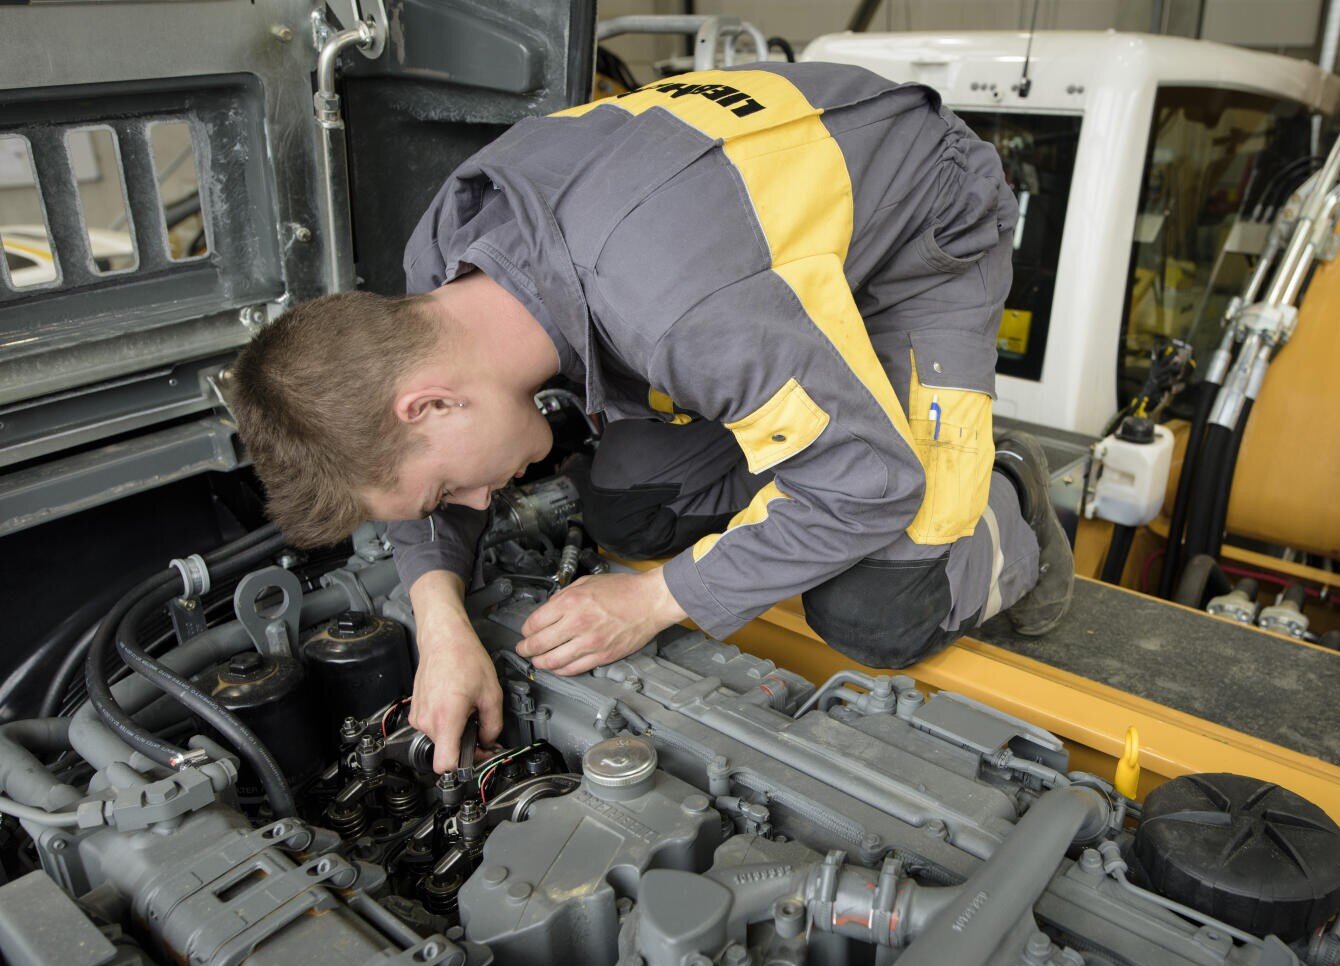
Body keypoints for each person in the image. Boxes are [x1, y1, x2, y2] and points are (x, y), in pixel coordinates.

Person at [228, 62, 1074, 772]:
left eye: (449, 484)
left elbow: (870, 486)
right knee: (636, 509)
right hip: (733, 272)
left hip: (913, 240)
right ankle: (806, 419)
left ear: (435, 402)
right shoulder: (438, 269)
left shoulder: (681, 314)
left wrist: (656, 601)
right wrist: (440, 620)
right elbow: (430, 489)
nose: (476, 502)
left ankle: (1008, 496)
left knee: (879, 608)